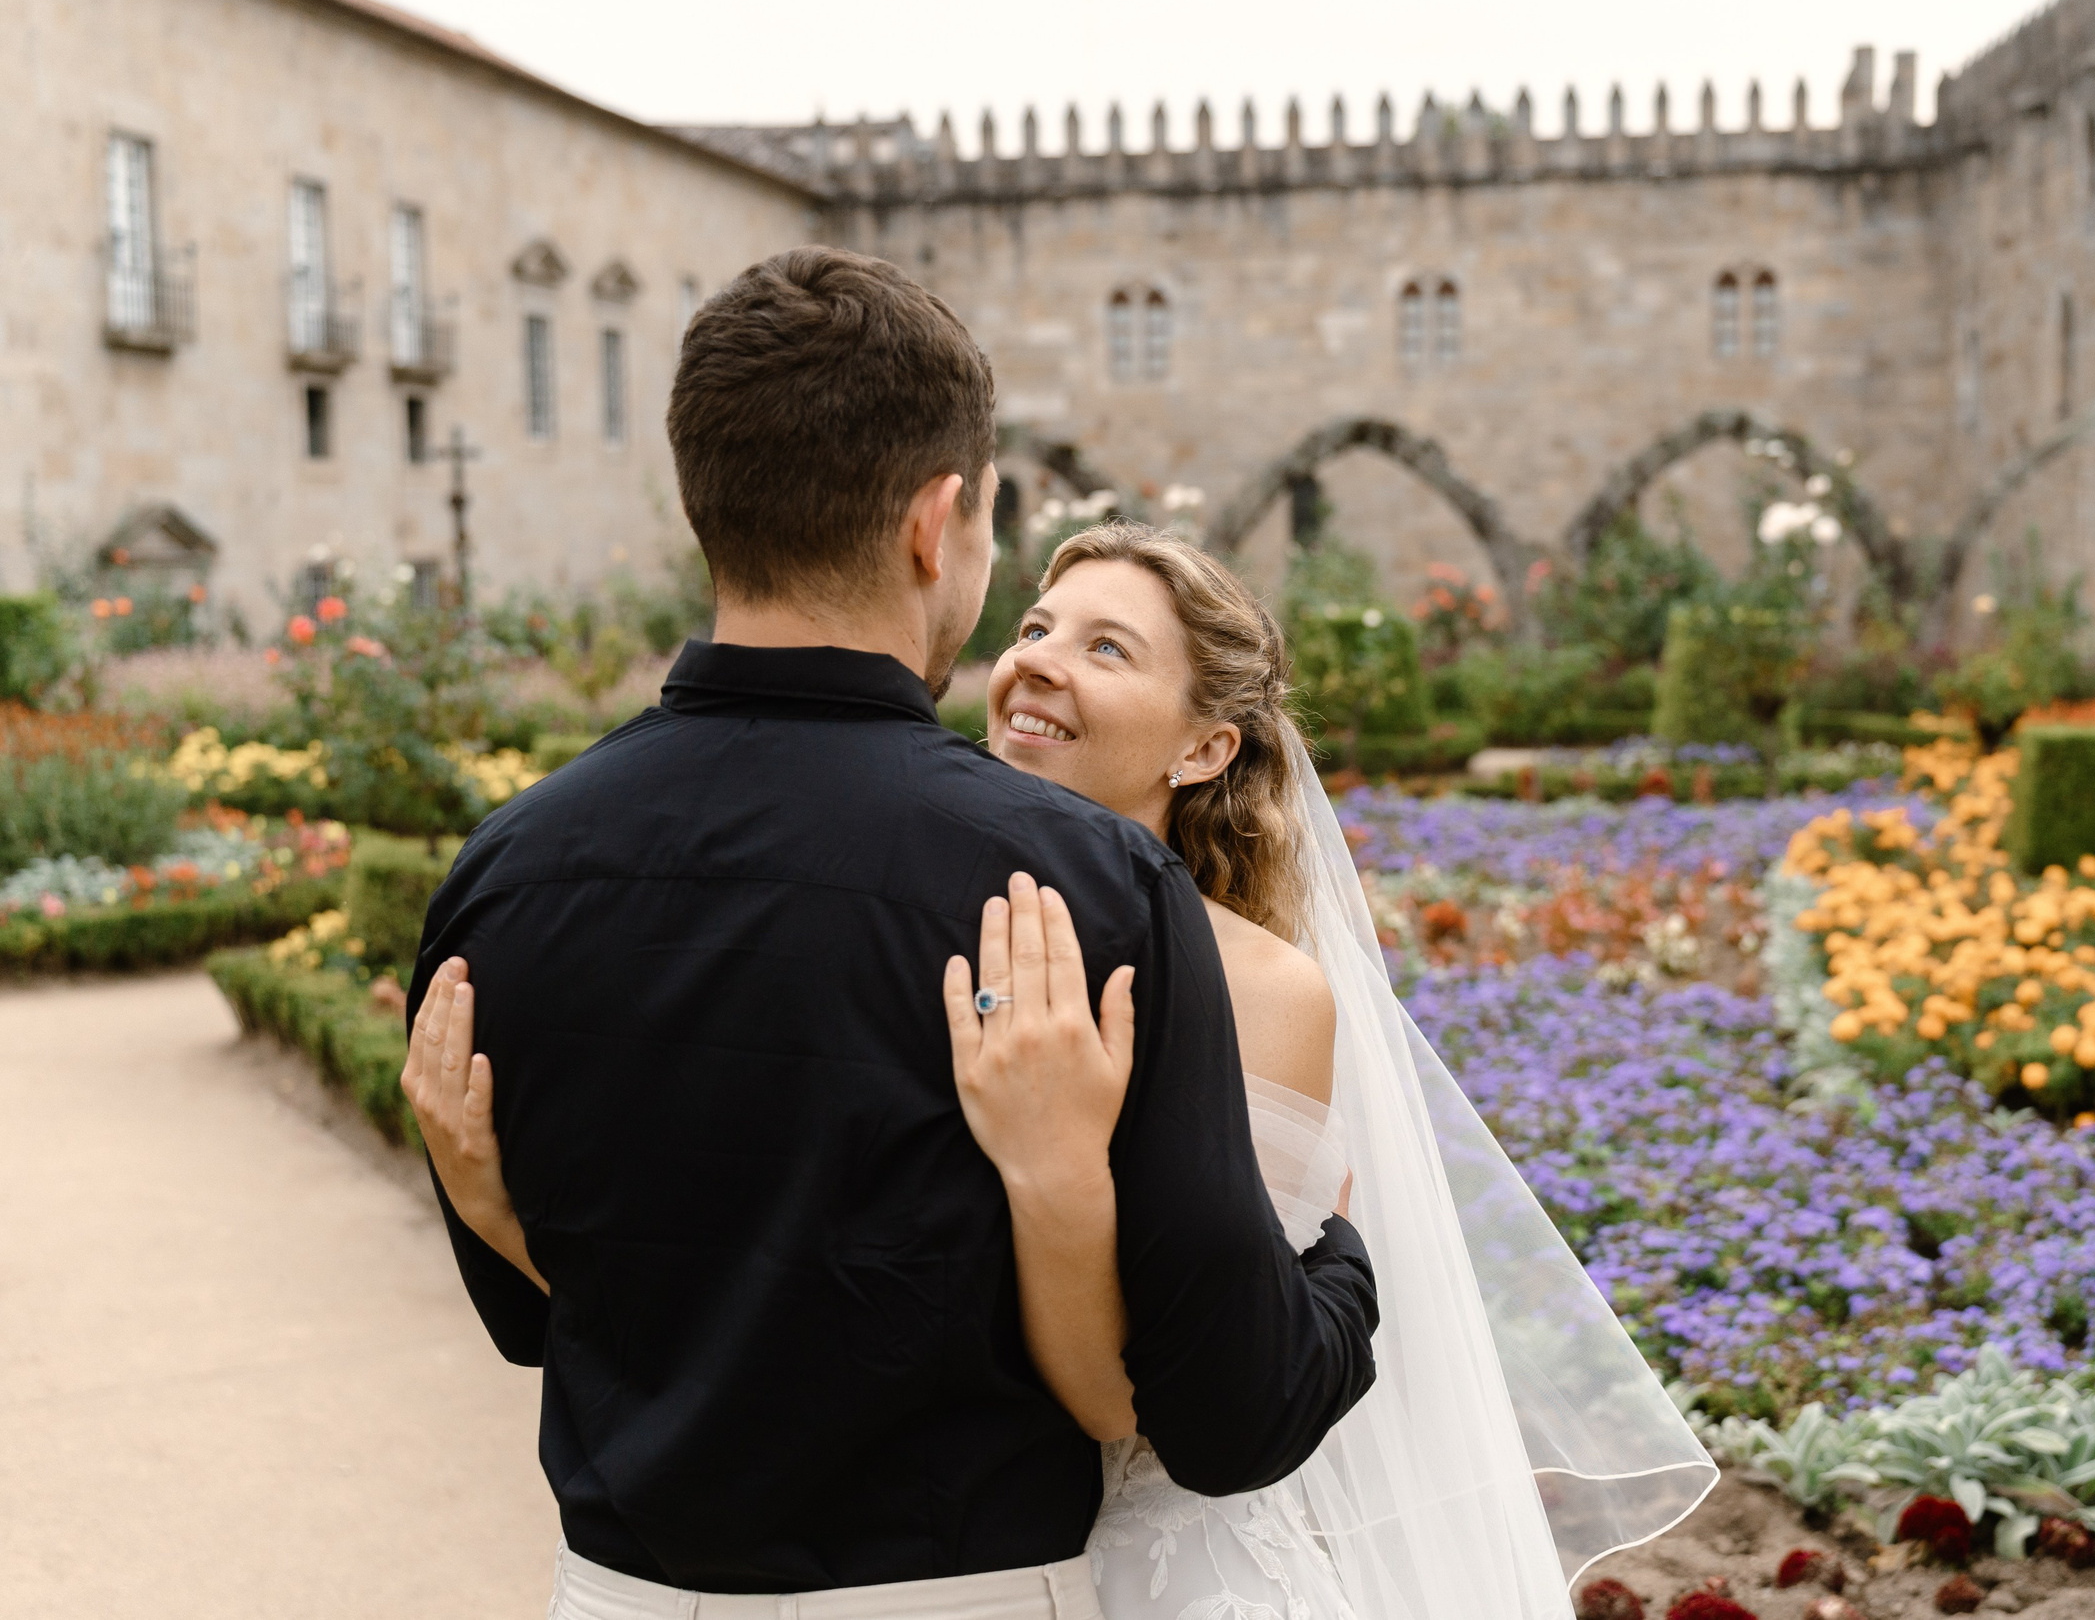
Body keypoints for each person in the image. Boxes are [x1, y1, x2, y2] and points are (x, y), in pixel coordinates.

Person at [411, 515, 1717, 1620]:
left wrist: (1082, 1179)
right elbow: (766, 1282)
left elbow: (1148, 1408)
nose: (1037, 659)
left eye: (1106, 647)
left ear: (1206, 748)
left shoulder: (1260, 992)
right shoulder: (918, 916)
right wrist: (491, 1204)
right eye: (1036, 626)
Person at [397, 248, 1380, 1619]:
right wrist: (1343, 1270)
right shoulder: (1087, 893)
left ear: (704, 501)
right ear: (937, 522)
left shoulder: (502, 875)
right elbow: (1226, 1417)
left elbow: (542, 1316)